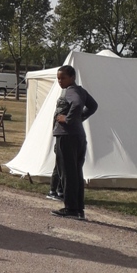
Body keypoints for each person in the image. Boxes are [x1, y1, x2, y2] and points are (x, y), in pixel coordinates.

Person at [51, 65, 98, 221]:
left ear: (72, 77)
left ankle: (71, 208)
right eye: (58, 78)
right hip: (78, 136)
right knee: (76, 173)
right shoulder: (81, 91)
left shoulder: (71, 91)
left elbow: (77, 104)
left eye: (63, 77)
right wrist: (79, 118)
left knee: (67, 173)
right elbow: (93, 106)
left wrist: (68, 119)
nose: (60, 81)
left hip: (67, 136)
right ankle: (78, 208)